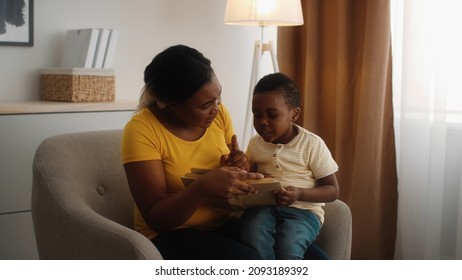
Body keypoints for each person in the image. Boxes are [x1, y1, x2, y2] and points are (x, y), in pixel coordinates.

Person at [121, 44, 264, 260]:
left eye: (218, 98)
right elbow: (156, 218)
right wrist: (201, 188)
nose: (216, 108)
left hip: (220, 224)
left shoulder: (219, 115)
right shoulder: (141, 130)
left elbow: (231, 176)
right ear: (172, 104)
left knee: (309, 257)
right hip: (169, 234)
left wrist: (237, 167)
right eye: (206, 104)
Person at [240, 72, 340, 260]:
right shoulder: (255, 144)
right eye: (257, 114)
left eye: (272, 115)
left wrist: (299, 194)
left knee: (289, 246)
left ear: (294, 114)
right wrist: (241, 168)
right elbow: (248, 177)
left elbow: (333, 190)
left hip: (303, 213)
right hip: (263, 208)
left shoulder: (312, 144)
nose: (262, 122)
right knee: (253, 235)